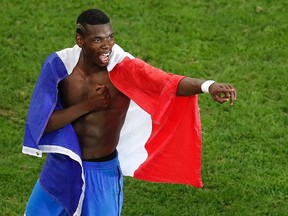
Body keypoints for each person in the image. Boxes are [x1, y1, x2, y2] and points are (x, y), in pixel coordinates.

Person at [23, 8, 236, 216]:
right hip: (62, 167)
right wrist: (88, 105)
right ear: (80, 41)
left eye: (110, 37)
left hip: (101, 174)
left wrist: (208, 86)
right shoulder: (60, 68)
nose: (107, 46)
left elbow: (166, 83)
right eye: (97, 40)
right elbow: (42, 123)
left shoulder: (123, 68)